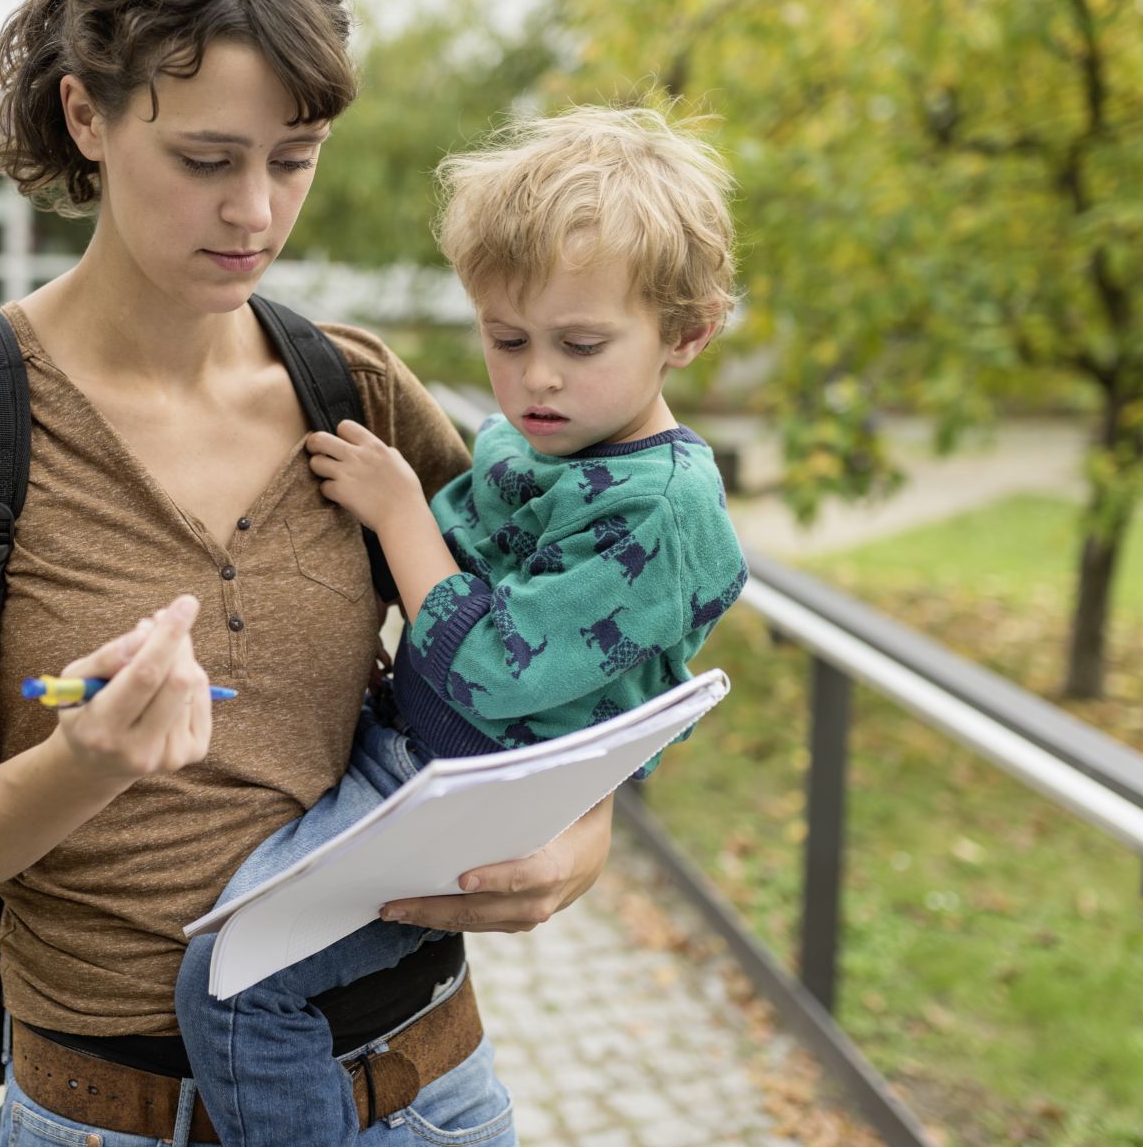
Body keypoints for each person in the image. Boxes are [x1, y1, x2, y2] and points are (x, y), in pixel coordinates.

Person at [0, 0, 618, 1147]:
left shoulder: (349, 389)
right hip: (120, 1116)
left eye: (291, 160)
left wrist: (576, 841)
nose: (255, 212)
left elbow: (575, 647)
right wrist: (80, 759)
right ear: (85, 115)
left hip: (431, 1096)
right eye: (204, 159)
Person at [174, 104, 750, 1146]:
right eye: (503, 337)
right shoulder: (547, 449)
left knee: (233, 980)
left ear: (686, 333)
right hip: (412, 760)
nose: (535, 378)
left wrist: (397, 509)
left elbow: (493, 665)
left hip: (465, 795)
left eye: (580, 344)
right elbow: (430, 566)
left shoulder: (655, 508)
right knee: (234, 955)